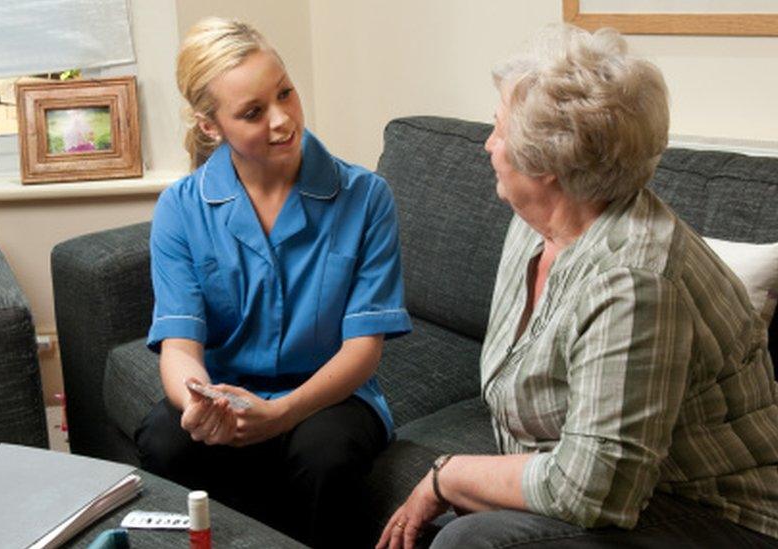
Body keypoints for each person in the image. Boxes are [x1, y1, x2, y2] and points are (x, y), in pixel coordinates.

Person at [378, 24, 778, 549]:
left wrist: (448, 474)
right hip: (618, 482)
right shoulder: (533, 225)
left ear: (545, 165)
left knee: (468, 542)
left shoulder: (633, 282)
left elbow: (596, 491)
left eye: (498, 129)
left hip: (713, 514)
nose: (488, 143)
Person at [135, 17, 411, 548]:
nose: (283, 120)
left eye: (285, 92)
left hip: (331, 397)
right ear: (211, 126)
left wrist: (282, 413)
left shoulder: (367, 198)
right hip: (228, 397)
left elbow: (364, 350)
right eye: (253, 112)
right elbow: (179, 347)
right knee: (165, 440)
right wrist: (200, 405)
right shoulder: (180, 208)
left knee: (325, 453)